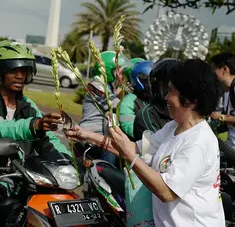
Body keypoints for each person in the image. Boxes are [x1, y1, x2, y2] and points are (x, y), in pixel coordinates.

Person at [65, 59, 225, 226]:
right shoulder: (173, 128)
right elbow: (134, 148)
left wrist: (131, 159)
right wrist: (86, 135)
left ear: (191, 100)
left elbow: (166, 192)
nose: (166, 97)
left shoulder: (198, 143)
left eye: (171, 92)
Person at [0, 40, 70, 167]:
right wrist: (34, 125)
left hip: (21, 176)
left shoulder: (29, 106)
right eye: (13, 70)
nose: (20, 76)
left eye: (24, 70)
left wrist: (68, 160)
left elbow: (48, 140)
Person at [78, 51, 132, 163]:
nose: (120, 76)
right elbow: (114, 104)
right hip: (93, 134)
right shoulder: (96, 86)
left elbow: (111, 97)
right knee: (110, 160)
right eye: (118, 72)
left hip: (102, 134)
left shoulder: (105, 86)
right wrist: (127, 93)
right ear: (107, 71)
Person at [133, 58, 179, 141]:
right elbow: (159, 148)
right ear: (157, 86)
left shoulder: (182, 112)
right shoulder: (147, 114)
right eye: (168, 88)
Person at [118, 60, 153, 140]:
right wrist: (154, 138)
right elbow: (131, 128)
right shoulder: (128, 102)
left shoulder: (153, 99)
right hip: (137, 146)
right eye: (150, 81)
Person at [210, 52, 235, 147]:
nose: (212, 74)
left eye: (214, 69)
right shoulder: (226, 91)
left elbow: (220, 116)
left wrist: (221, 117)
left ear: (224, 69)